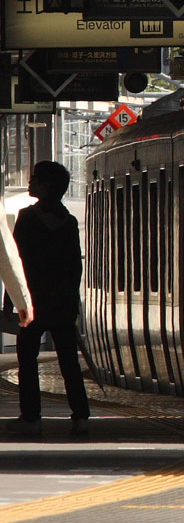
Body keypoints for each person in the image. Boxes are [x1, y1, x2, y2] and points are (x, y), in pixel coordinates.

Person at [5, 161, 89, 436]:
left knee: (27, 360)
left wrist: (11, 303)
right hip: (62, 304)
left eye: (35, 179)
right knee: (69, 362)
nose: (30, 183)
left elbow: (15, 263)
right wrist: (71, 302)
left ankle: (31, 417)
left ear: (46, 186)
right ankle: (81, 416)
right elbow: (75, 267)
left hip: (33, 302)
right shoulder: (69, 222)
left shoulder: (27, 218)